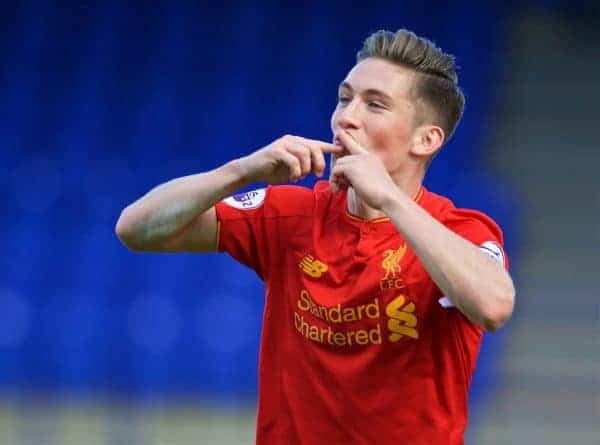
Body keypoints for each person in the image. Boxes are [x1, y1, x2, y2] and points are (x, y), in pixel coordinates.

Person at [116, 29, 515, 445]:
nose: (346, 117)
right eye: (345, 98)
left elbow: (494, 305)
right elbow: (137, 228)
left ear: (426, 139)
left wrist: (390, 200)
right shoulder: (291, 215)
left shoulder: (459, 232)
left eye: (374, 105)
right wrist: (240, 171)